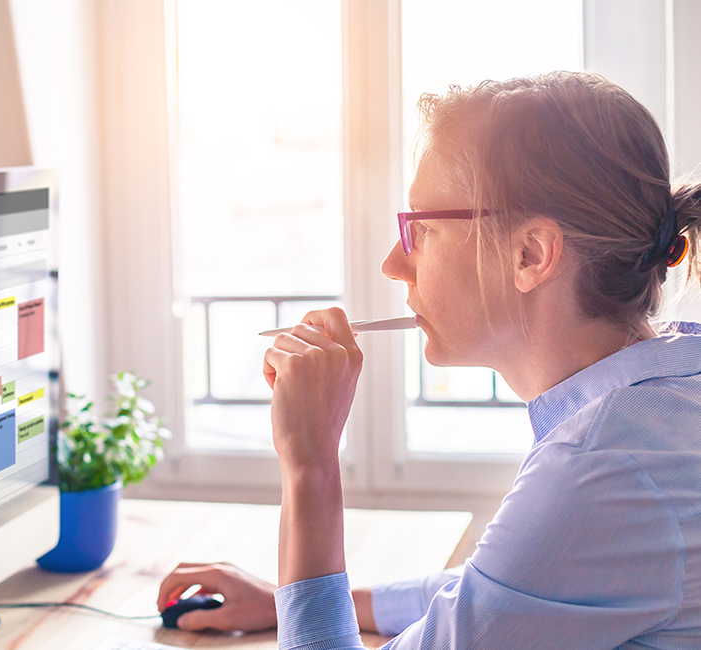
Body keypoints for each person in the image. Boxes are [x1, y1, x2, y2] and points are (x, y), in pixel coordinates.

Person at [157, 71, 701, 648]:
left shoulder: (598, 469)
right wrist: (289, 601)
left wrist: (310, 463)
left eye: (420, 228)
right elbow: (500, 590)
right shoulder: (663, 397)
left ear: (530, 254)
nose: (394, 263)